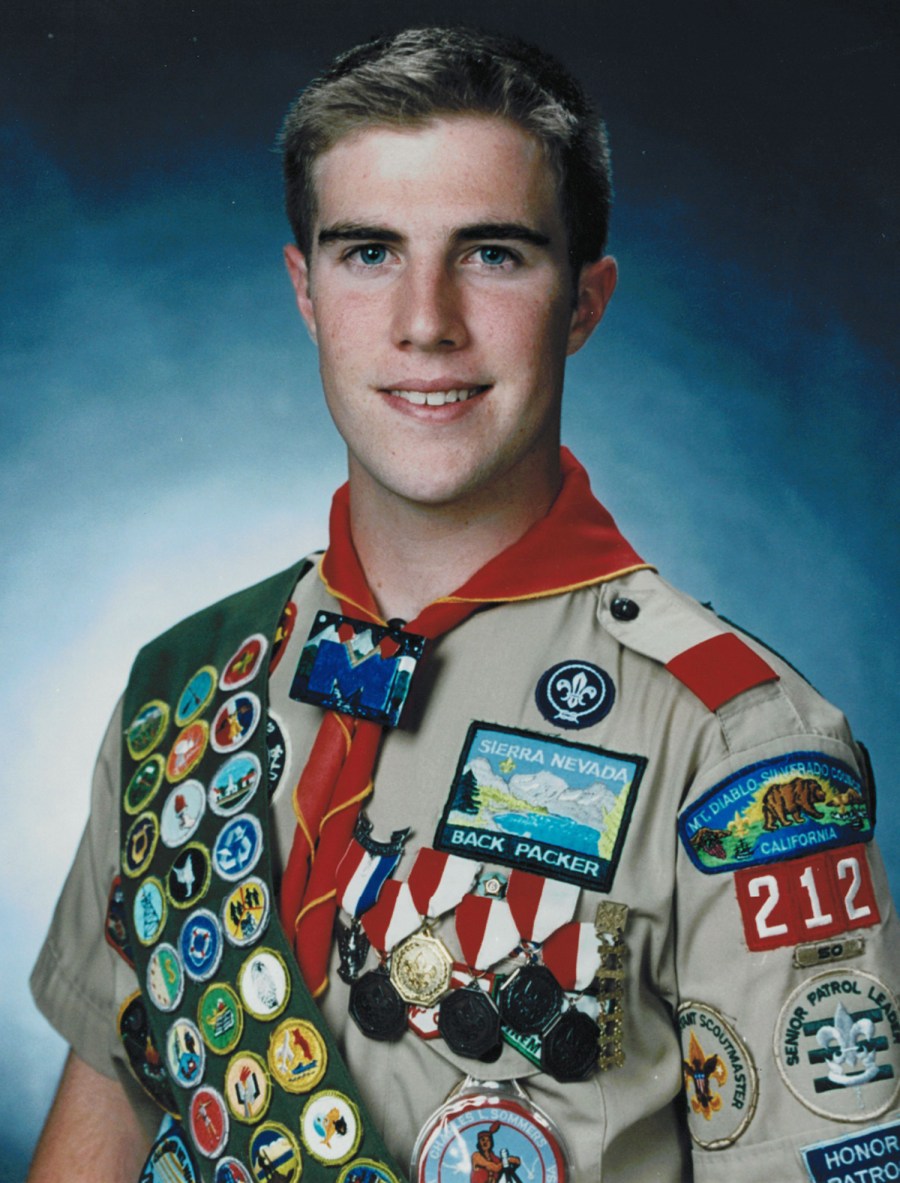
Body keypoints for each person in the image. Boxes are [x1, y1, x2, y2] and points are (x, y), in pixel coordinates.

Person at [28, 25, 899, 1183]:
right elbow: (111, 1109)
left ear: (583, 302)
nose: (426, 320)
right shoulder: (188, 689)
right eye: (368, 252)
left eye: (492, 254)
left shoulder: (736, 743)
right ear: (304, 291)